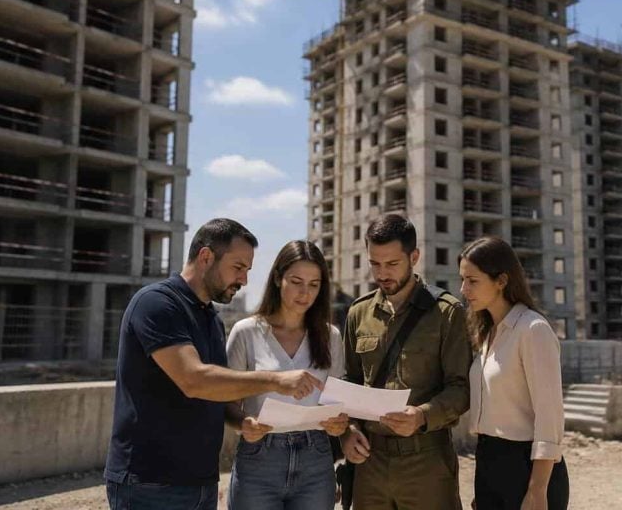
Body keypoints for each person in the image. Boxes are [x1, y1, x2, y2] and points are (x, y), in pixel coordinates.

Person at [105, 218, 323, 510]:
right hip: (150, 483)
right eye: (238, 267)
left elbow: (219, 396)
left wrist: (242, 422)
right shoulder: (156, 304)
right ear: (206, 257)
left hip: (200, 482)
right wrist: (276, 380)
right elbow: (194, 380)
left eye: (248, 270)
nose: (244, 280)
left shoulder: (211, 319)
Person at [340, 214, 472, 510]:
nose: (382, 273)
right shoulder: (358, 313)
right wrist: (348, 433)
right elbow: (350, 383)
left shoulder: (446, 313)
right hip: (370, 462)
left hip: (426, 460)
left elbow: (461, 389)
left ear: (414, 257)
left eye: (392, 264)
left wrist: (422, 416)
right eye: (375, 263)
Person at [225, 240, 349, 509]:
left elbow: (336, 404)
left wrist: (340, 424)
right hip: (259, 459)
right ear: (278, 278)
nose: (305, 293)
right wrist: (243, 423)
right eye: (296, 281)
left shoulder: (331, 337)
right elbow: (226, 400)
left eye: (314, 284)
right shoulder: (246, 332)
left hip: (316, 458)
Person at [458, 236, 570, 510]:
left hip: (527, 469)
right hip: (489, 462)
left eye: (473, 281)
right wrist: (486, 482)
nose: (463, 289)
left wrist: (537, 490)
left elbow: (549, 416)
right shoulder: (488, 334)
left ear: (502, 281)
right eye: (462, 279)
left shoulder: (533, 330)